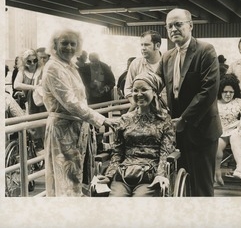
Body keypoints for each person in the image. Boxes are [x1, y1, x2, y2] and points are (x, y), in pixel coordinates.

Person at [156, 8, 222, 196]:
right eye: (170, 26)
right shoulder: (167, 56)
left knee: (201, 187)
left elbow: (208, 91)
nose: (174, 29)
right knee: (180, 184)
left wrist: (184, 119)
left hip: (201, 129)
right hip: (176, 131)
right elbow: (155, 82)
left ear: (191, 25)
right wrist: (138, 92)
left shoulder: (205, 50)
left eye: (178, 24)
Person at [42, 29, 114, 197]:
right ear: (54, 45)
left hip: (77, 129)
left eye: (72, 44)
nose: (69, 47)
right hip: (63, 131)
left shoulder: (69, 66)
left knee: (77, 180)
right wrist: (101, 119)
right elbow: (70, 102)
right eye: (64, 43)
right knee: (66, 183)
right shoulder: (53, 67)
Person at [97, 72, 176, 197]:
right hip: (123, 174)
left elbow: (165, 151)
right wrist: (109, 175)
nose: (139, 94)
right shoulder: (125, 119)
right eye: (135, 90)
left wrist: (160, 174)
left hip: (151, 175)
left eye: (144, 89)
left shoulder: (164, 119)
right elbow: (117, 152)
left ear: (154, 92)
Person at [215, 74, 241, 186]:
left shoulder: (238, 102)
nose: (228, 94)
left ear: (235, 92)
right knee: (217, 151)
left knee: (235, 139)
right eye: (225, 91)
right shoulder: (215, 102)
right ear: (220, 91)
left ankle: (240, 167)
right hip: (220, 131)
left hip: (234, 130)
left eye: (231, 92)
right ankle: (216, 173)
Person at [124, 30, 162, 109]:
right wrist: (138, 105)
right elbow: (127, 89)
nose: (143, 48)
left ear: (157, 46)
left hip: (166, 111)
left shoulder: (168, 63)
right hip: (142, 110)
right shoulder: (135, 64)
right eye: (141, 45)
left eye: (147, 45)